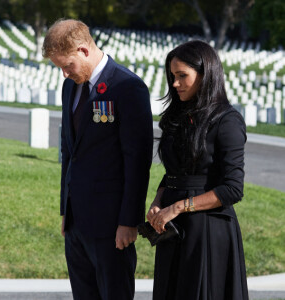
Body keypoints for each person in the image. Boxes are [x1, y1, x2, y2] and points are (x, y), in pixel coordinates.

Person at [42, 19, 153, 300]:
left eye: (67, 65)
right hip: (77, 221)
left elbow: (137, 161)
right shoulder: (72, 88)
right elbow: (70, 151)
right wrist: (65, 210)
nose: (64, 74)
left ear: (83, 50)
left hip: (111, 224)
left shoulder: (127, 87)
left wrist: (129, 221)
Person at [147, 40, 249, 300]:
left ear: (206, 75)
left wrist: (179, 206)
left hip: (207, 229)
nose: (175, 83)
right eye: (172, 76)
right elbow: (174, 171)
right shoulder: (177, 118)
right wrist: (158, 202)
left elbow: (232, 188)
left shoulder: (227, 121)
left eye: (183, 76)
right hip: (172, 227)